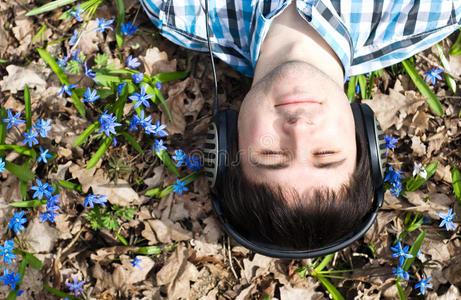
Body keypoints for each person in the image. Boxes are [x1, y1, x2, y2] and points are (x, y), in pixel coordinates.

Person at [139, 0, 461, 249]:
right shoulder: (430, 9)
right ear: (363, 137)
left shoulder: (179, 8)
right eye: (326, 153)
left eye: (272, 155)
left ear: (228, 143)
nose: (299, 129)